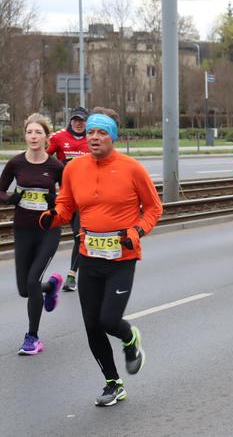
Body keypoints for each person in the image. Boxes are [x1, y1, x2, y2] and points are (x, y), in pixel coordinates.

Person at [39, 108, 163, 407]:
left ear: (113, 137)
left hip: (122, 256)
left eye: (102, 132)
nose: (94, 137)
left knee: (109, 319)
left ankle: (130, 338)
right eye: (91, 132)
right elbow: (67, 206)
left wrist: (137, 231)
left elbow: (154, 208)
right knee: (92, 325)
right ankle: (113, 383)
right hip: (89, 256)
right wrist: (51, 217)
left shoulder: (131, 168)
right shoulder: (74, 169)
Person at [0, 114, 64, 355]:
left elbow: (70, 197)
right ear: (25, 136)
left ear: (47, 136)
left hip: (48, 230)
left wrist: (54, 200)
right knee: (25, 290)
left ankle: (32, 337)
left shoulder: (56, 166)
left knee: (32, 280)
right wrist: (10, 198)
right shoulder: (16, 164)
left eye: (38, 132)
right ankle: (51, 286)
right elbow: (0, 190)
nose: (33, 136)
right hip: (23, 229)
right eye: (29, 132)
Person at [47, 106, 90, 292]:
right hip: (66, 195)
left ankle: (72, 276)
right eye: (75, 120)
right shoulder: (59, 137)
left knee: (79, 235)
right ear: (70, 121)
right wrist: (59, 167)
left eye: (82, 120)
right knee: (73, 234)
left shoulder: (93, 137)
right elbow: (42, 158)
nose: (79, 124)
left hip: (86, 195)